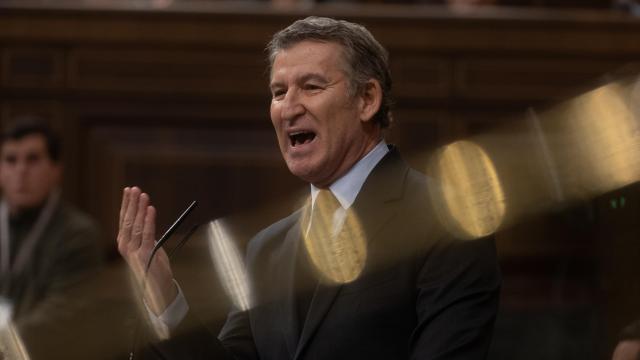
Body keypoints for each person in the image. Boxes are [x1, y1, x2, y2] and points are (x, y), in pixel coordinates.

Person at [118, 16, 501, 359]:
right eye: (279, 92)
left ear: (367, 99)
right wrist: (165, 298)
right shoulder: (267, 249)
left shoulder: (448, 220)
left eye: (312, 86)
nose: (289, 107)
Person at [0, 117, 103, 351]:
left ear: (56, 170)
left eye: (33, 159)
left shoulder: (78, 234)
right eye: (10, 160)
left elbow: (61, 319)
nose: (21, 170)